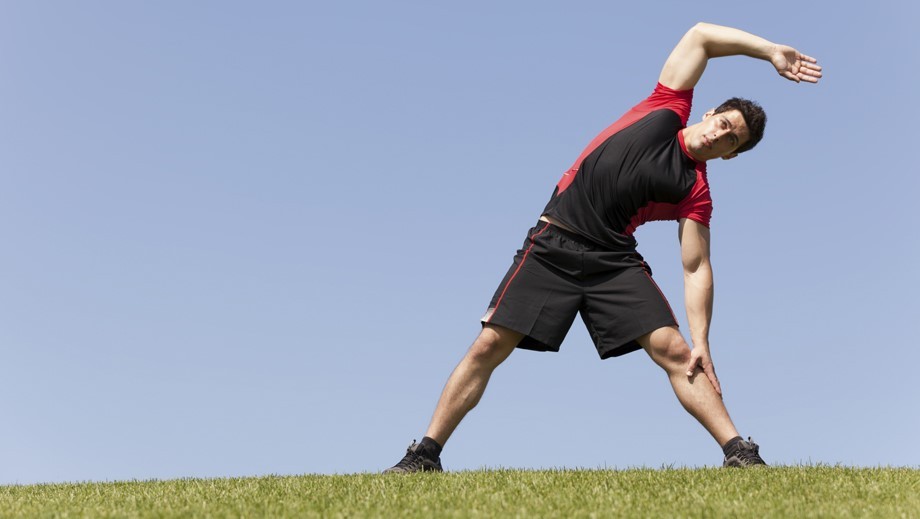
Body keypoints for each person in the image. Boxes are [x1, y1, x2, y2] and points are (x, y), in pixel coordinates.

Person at [384, 22, 822, 473]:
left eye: (733, 140)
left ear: (731, 155)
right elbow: (701, 37)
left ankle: (740, 454)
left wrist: (703, 341)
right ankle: (424, 455)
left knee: (676, 351)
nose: (721, 135)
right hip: (553, 242)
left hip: (612, 260)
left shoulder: (696, 190)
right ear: (709, 113)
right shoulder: (666, 106)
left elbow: (695, 268)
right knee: (488, 345)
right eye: (724, 124)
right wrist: (769, 51)